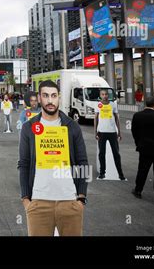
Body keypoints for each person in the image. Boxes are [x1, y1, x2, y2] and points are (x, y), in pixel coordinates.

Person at [18, 80, 89, 236]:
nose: (50, 100)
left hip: (70, 201)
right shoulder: (29, 127)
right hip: (38, 203)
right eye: (45, 96)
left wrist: (81, 198)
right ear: (39, 98)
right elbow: (24, 164)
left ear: (59, 97)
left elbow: (83, 162)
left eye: (53, 96)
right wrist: (26, 200)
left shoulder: (72, 126)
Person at [94, 89, 126, 180]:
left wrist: (119, 132)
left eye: (106, 94)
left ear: (108, 95)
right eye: (103, 94)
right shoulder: (98, 105)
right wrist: (95, 132)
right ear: (100, 95)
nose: (104, 96)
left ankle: (120, 174)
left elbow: (117, 118)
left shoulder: (113, 104)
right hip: (101, 132)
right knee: (101, 154)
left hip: (112, 132)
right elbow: (96, 118)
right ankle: (102, 173)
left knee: (116, 154)